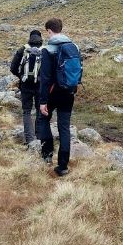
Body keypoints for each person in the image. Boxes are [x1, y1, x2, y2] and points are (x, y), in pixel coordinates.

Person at [37, 17, 81, 177]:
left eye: (47, 32)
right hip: (69, 92)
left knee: (43, 119)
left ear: (49, 31)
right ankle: (63, 166)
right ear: (60, 29)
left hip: (53, 92)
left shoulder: (48, 50)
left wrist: (42, 101)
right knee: (64, 127)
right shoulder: (74, 46)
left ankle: (47, 156)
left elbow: (45, 78)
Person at [8, 29, 43, 145]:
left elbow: (13, 68)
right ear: (40, 38)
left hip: (25, 85)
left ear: (30, 37)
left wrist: (21, 76)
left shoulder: (23, 49)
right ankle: (39, 137)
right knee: (39, 110)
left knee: (26, 111)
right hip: (40, 85)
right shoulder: (44, 50)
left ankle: (29, 139)